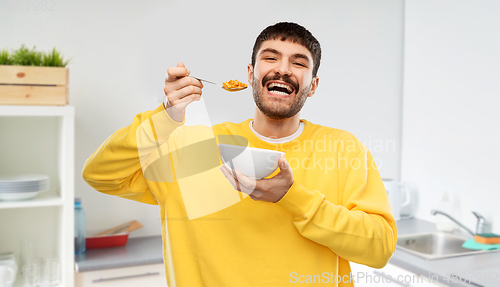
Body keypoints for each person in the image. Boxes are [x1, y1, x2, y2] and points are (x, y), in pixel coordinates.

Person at [82, 22, 397, 287]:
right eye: (270, 58)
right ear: (250, 73)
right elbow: (100, 174)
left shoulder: (343, 149)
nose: (283, 70)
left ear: (312, 85)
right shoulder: (195, 144)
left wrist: (294, 197)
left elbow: (379, 248)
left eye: (299, 63)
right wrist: (166, 117)